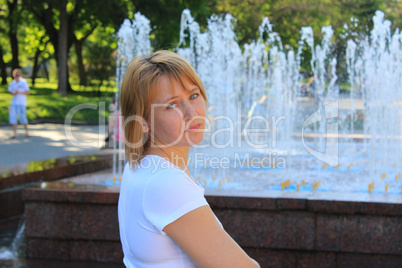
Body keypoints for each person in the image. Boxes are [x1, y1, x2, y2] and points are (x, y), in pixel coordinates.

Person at [118, 50, 260, 268]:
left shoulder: (141, 167)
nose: (191, 113)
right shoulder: (167, 183)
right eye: (172, 105)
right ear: (142, 121)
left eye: (194, 96)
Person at [8, 68, 30, 138]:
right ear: (13, 75)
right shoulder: (13, 82)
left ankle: (26, 132)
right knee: (13, 117)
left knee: (23, 118)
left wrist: (19, 92)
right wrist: (14, 92)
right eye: (15, 75)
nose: (17, 76)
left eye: (18, 74)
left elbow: (27, 92)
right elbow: (10, 91)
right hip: (14, 103)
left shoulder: (23, 82)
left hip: (22, 102)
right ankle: (15, 133)